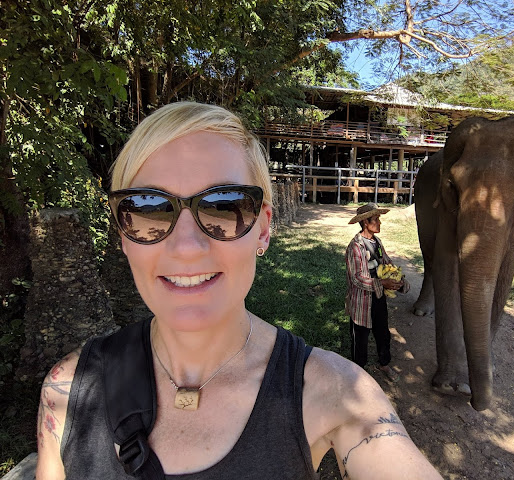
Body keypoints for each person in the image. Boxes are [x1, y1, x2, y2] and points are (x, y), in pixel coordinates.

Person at [36, 102, 442, 480]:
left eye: (225, 205)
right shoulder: (67, 390)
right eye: (148, 208)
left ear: (263, 229)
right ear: (124, 235)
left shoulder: (337, 395)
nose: (186, 248)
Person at [345, 203, 408, 382]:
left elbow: (386, 262)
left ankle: (384, 364)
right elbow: (357, 278)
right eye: (376, 219)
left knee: (382, 333)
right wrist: (382, 282)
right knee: (360, 338)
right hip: (361, 302)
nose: (380, 223)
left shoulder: (377, 242)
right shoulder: (355, 247)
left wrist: (398, 279)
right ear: (366, 222)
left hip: (378, 297)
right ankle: (358, 372)